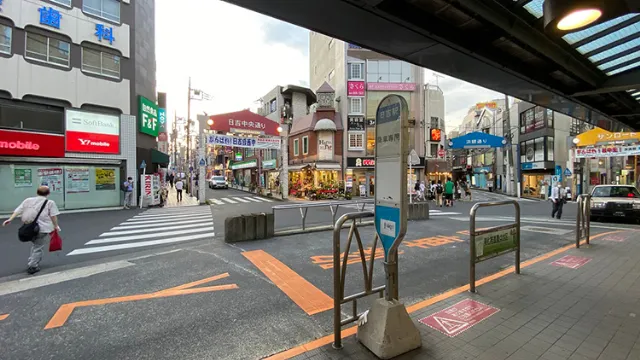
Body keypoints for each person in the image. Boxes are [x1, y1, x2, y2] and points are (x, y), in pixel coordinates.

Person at [2, 186, 61, 274]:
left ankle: (32, 260)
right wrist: (56, 226)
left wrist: (10, 219)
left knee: (35, 245)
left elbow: (18, 210)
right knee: (38, 247)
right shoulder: (50, 202)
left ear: (37, 192)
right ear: (48, 194)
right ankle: (33, 266)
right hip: (42, 228)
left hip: (29, 227)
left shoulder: (28, 200)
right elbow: (53, 216)